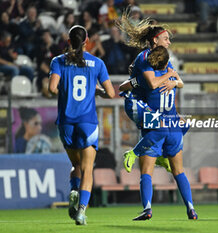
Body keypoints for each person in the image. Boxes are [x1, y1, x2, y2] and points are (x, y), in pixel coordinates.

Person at [116, 14, 198, 221]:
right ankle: (191, 208)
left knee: (146, 171)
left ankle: (147, 208)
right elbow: (175, 80)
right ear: (155, 40)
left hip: (154, 122)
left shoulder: (151, 62)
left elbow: (149, 85)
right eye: (166, 38)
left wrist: (134, 84)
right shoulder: (152, 61)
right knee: (179, 169)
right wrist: (174, 80)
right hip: (171, 123)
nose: (169, 42)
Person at [48, 25, 115, 225]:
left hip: (66, 122)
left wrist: (66, 89)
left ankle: (74, 190)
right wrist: (95, 90)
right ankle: (82, 212)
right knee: (87, 168)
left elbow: (52, 89)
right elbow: (111, 93)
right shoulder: (97, 63)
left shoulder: (58, 61)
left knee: (75, 165)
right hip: (87, 122)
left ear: (69, 41)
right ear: (87, 42)